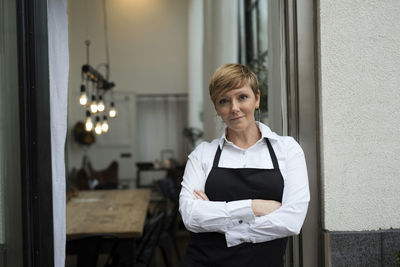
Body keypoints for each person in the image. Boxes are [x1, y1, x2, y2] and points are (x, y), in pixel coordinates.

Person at [178, 63, 310, 267]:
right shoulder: (203, 154)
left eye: (242, 97)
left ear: (257, 99)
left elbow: (291, 222)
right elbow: (190, 217)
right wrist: (255, 207)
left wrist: (217, 219)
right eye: (224, 101)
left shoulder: (287, 150)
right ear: (216, 108)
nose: (234, 108)